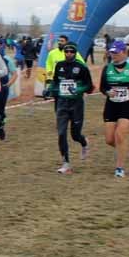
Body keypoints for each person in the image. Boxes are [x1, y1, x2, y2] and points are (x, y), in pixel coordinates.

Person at [99, 41, 129, 178]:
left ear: (124, 52)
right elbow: (102, 87)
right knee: (109, 139)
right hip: (111, 106)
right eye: (112, 52)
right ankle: (122, 149)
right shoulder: (107, 69)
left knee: (120, 135)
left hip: (127, 105)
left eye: (116, 52)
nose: (113, 55)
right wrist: (107, 92)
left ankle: (120, 168)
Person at [47, 42, 92, 174]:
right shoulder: (59, 65)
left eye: (71, 52)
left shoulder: (81, 67)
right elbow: (56, 82)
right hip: (62, 103)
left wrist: (78, 89)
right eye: (66, 52)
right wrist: (49, 89)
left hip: (76, 104)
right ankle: (66, 163)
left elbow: (89, 86)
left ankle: (84, 143)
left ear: (75, 53)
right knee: (61, 133)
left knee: (75, 135)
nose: (69, 54)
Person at [0, 40, 18, 131]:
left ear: (2, 47)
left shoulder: (7, 60)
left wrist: (8, 84)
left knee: (0, 108)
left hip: (3, 87)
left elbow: (15, 74)